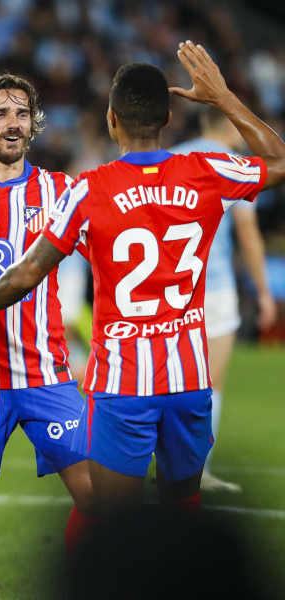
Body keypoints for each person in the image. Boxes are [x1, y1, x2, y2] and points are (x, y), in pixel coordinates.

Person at [0, 43, 285, 517]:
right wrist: (224, 96)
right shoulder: (205, 170)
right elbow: (279, 162)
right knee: (184, 510)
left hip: (122, 383)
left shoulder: (87, 189)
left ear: (111, 119)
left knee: (113, 522)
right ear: (168, 119)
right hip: (187, 378)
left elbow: (30, 270)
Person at [0, 73, 97, 557]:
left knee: (98, 498)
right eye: (0, 113)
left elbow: (110, 253)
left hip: (46, 375)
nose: (14, 124)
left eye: (22, 114)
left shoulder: (62, 190)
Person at [170, 106, 277, 493]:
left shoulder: (174, 157)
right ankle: (197, 471)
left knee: (162, 381)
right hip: (212, 291)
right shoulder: (230, 163)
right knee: (210, 386)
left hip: (170, 291)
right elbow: (248, 234)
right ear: (232, 128)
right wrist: (263, 292)